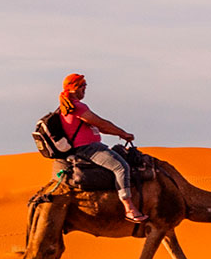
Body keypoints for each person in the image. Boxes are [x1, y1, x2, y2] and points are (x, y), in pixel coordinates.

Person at [57, 74, 148, 223]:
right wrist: (122, 133)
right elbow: (101, 124)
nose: (85, 87)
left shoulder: (69, 106)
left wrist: (120, 133)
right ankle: (129, 208)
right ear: (74, 87)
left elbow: (100, 127)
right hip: (88, 149)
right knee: (121, 167)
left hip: (89, 147)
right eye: (83, 85)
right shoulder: (77, 107)